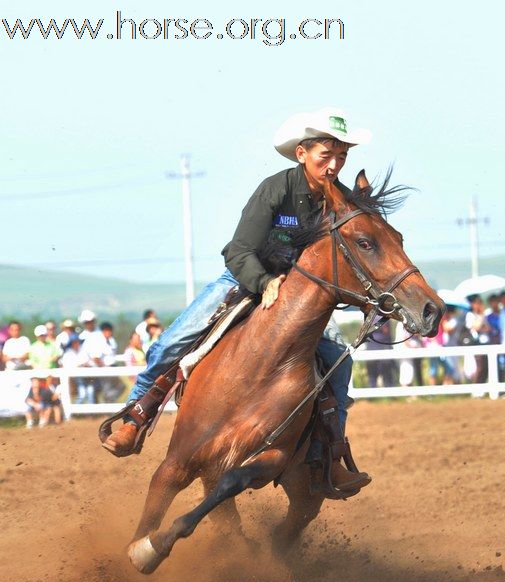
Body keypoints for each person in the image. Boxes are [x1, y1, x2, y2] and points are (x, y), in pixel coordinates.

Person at [103, 107, 372, 494]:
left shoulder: (340, 203)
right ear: (302, 154)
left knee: (339, 364)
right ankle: (135, 417)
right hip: (245, 279)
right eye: (325, 156)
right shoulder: (275, 189)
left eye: (341, 157)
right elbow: (241, 250)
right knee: (171, 343)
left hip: (299, 296)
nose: (334, 165)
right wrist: (264, 282)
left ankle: (331, 454)